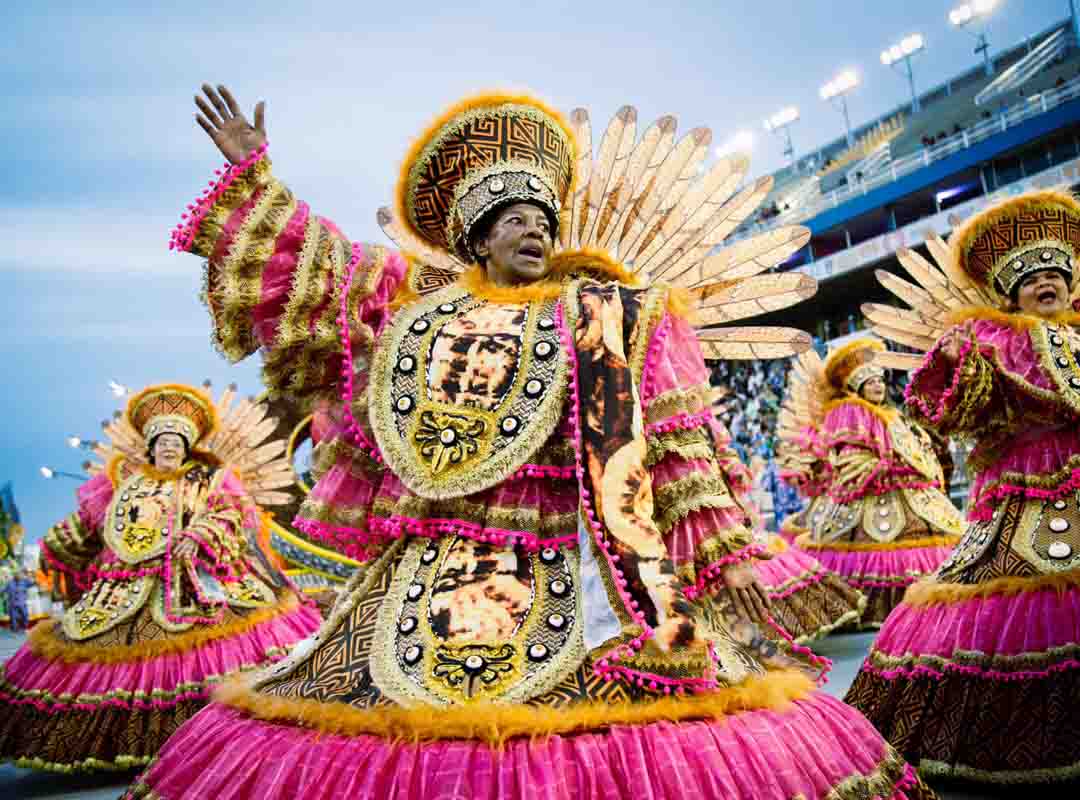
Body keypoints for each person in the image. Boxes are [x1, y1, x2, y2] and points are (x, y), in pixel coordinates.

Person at [124, 86, 934, 800]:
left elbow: (677, 443)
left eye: (544, 220)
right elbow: (327, 266)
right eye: (514, 219)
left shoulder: (605, 316)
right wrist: (257, 177)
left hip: (580, 573)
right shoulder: (419, 310)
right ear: (478, 239)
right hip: (429, 572)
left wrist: (726, 556)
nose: (534, 230)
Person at [846, 191, 1080, 783]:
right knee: (1024, 601)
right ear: (1011, 295)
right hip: (1023, 495)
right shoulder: (994, 340)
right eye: (1032, 278)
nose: (1046, 283)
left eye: (1056, 275)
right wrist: (963, 359)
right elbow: (947, 406)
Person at [0, 383, 321, 771]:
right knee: (95, 655)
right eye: (163, 442)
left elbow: (230, 512)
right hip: (123, 592)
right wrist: (58, 543)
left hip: (192, 586)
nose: (169, 448)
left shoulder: (207, 480)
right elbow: (95, 523)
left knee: (212, 652)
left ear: (187, 448)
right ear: (151, 447)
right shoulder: (125, 484)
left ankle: (208, 739)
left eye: (176, 442)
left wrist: (200, 534)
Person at [797, 339, 963, 625]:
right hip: (872, 497)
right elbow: (851, 461)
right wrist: (886, 467)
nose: (878, 386)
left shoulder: (892, 414)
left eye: (880, 381)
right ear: (858, 388)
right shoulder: (851, 413)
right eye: (870, 382)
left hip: (912, 492)